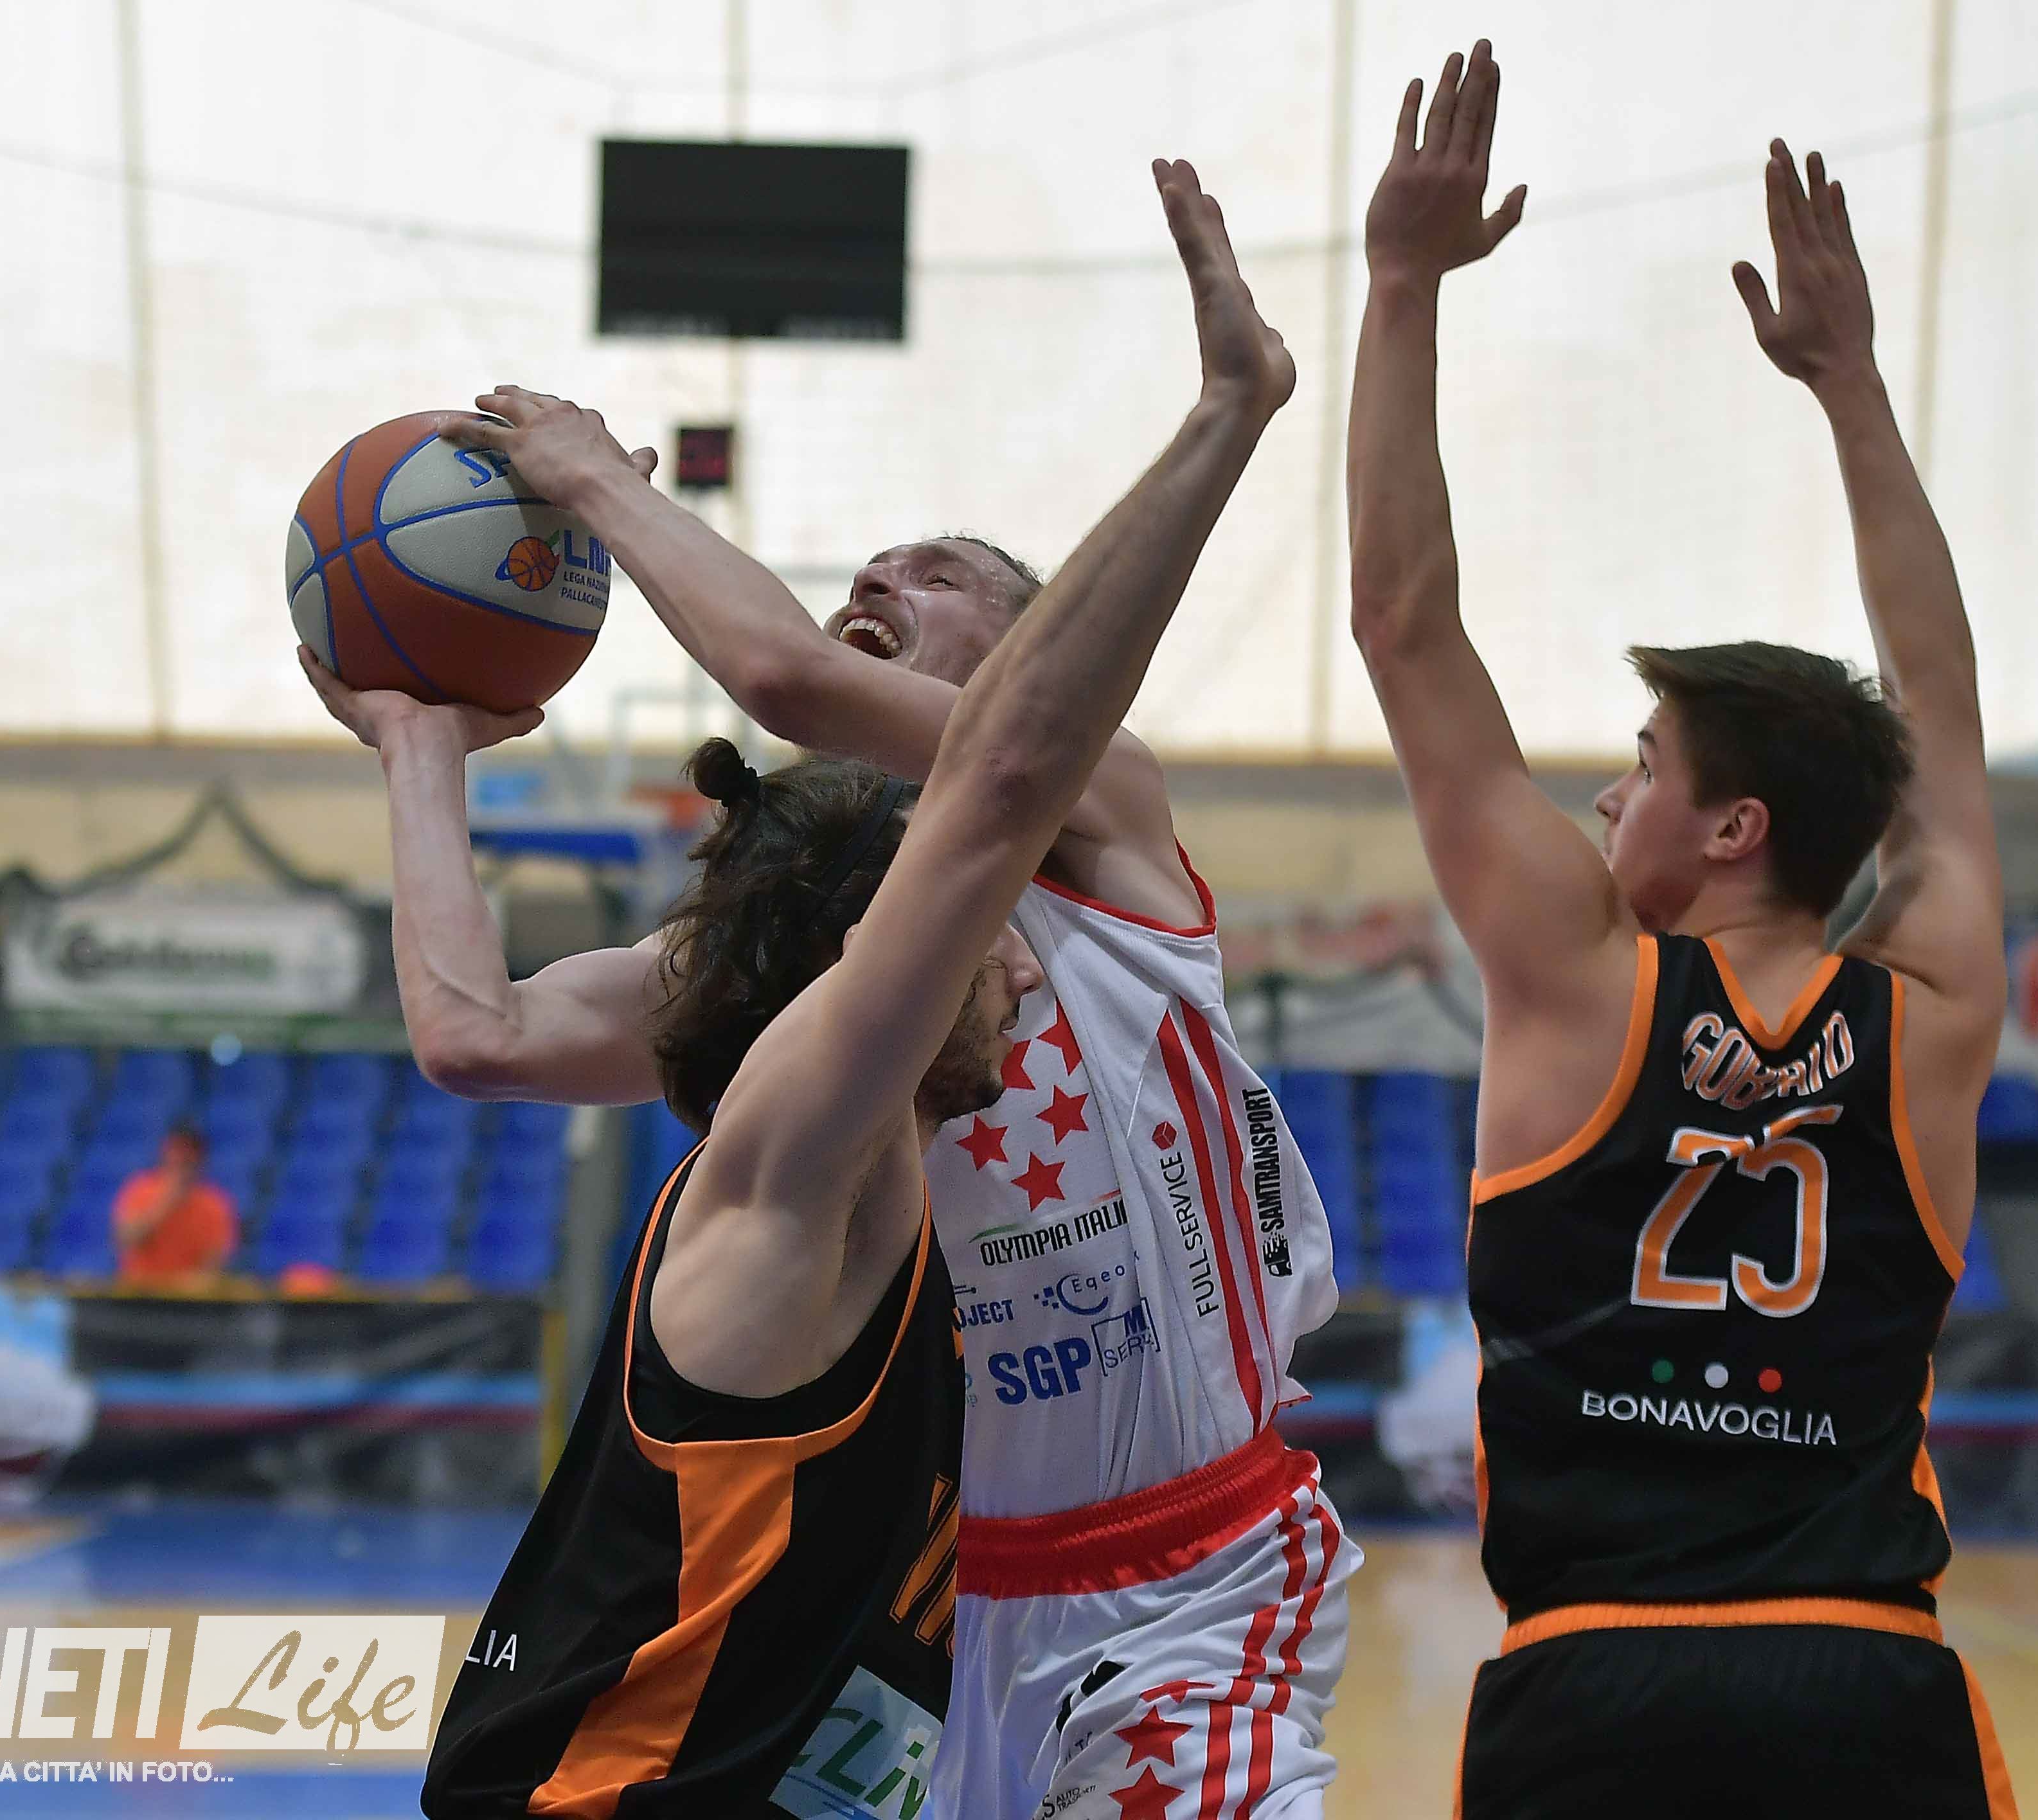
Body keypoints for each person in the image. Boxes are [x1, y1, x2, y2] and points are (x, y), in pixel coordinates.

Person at [321, 173, 1355, 1820]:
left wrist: (600, 482)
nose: (875, 576)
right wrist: (419, 744)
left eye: (932, 575)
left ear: (1044, 653)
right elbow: (478, 1031)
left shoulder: (1096, 804)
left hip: (1185, 1572)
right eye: (865, 573)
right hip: (920, 1610)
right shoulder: (806, 959)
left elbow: (793, 680)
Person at [1346, 44, 2017, 1819]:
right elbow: (1941, 697)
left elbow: (1404, 622)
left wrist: (1402, 286)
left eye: (1642, 766)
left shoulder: (1575, 978)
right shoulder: (1936, 1009)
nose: (1605, 792)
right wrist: (1851, 388)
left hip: (1595, 1680)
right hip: (1867, 1678)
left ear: (1735, 827)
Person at [110, 1125, 237, 1286]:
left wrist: (180, 1286)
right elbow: (126, 1240)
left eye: (187, 1159)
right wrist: (165, 1205)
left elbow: (214, 1264)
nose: (180, 1164)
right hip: (140, 1291)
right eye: (176, 1155)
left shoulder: (214, 1204)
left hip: (186, 1295)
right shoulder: (140, 1190)